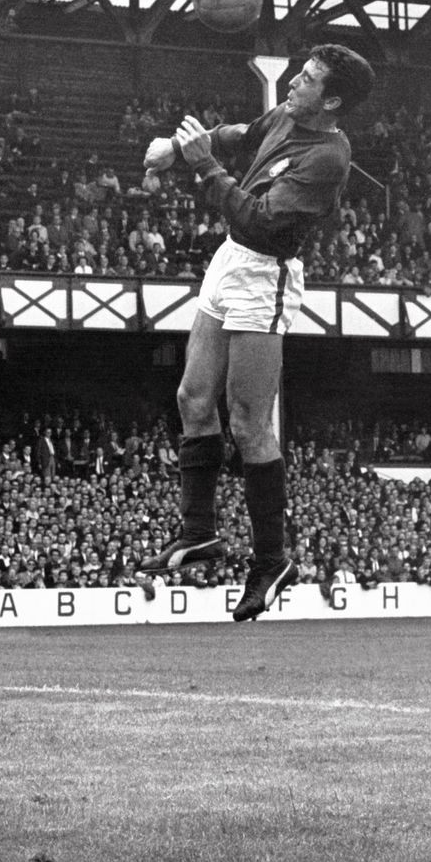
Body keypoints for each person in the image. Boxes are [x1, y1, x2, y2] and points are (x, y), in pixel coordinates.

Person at [136, 44, 374, 622]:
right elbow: (241, 131)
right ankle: (199, 533)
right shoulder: (286, 116)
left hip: (265, 271)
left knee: (247, 422)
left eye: (310, 79)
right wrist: (178, 146)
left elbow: (261, 222)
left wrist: (201, 165)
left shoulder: (328, 158)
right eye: (301, 71)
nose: (295, 81)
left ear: (333, 100)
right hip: (230, 261)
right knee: (192, 397)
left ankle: (270, 559)